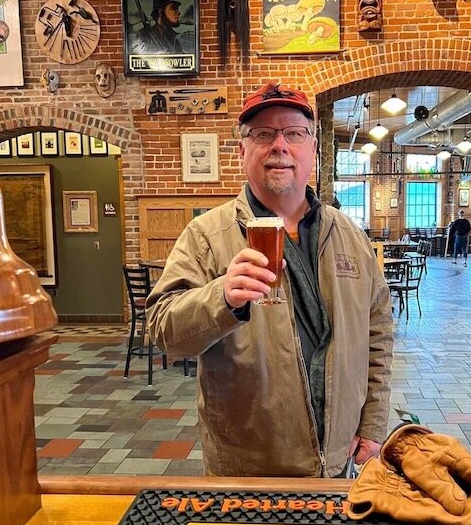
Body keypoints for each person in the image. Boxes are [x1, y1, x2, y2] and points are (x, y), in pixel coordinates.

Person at [146, 82, 393, 478]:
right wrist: (220, 298)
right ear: (242, 150)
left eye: (294, 133)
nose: (280, 145)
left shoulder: (349, 236)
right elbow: (163, 330)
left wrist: (373, 425)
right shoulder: (207, 235)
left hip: (339, 464)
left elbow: (377, 334)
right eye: (263, 134)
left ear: (313, 150)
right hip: (246, 471)